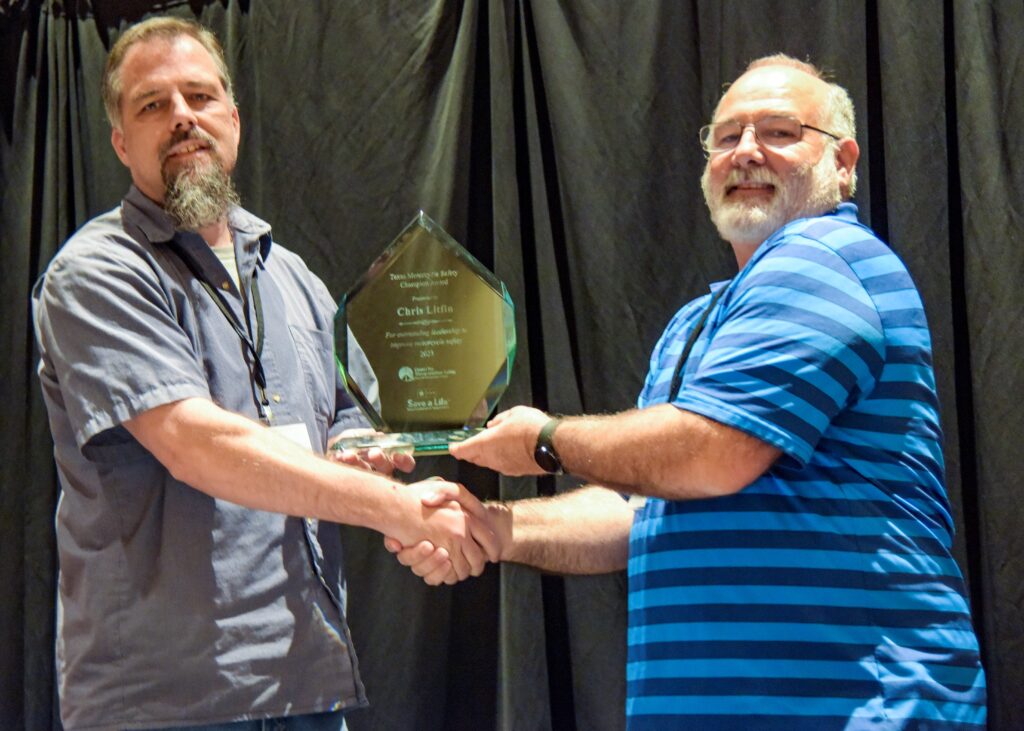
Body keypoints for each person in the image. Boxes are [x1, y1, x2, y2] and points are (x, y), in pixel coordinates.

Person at [390, 55, 988, 729]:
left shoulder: (825, 259)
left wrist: (545, 441)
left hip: (853, 710)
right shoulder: (695, 323)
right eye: (726, 137)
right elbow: (643, 506)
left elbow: (711, 455)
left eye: (780, 131)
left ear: (843, 162)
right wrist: (495, 528)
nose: (746, 152)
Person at [31, 17, 494, 731]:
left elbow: (345, 416)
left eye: (200, 96)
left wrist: (365, 453)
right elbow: (196, 444)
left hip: (308, 681)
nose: (183, 116)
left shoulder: (293, 276)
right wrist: (398, 510)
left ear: (234, 120)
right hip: (168, 699)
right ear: (122, 142)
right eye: (153, 105)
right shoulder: (97, 272)